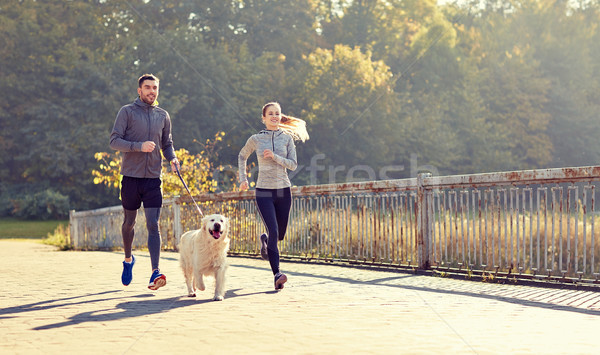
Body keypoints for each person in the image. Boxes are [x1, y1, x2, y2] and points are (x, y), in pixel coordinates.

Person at [109, 73, 180, 290]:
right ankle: (128, 259)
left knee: (153, 224)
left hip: (153, 179)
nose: (151, 91)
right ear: (139, 90)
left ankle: (155, 272)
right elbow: (114, 141)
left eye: (155, 88)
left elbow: (167, 144)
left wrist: (173, 158)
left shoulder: (163, 115)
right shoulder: (127, 112)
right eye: (147, 87)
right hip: (130, 177)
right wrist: (138, 146)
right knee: (129, 223)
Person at [238, 102, 309, 290]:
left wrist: (275, 157)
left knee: (279, 234)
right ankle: (277, 274)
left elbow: (293, 164)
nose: (274, 116)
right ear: (264, 118)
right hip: (263, 191)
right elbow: (242, 156)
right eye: (271, 114)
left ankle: (265, 242)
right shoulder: (255, 139)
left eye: (277, 113)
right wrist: (243, 179)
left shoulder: (286, 139)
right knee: (274, 231)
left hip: (283, 190)